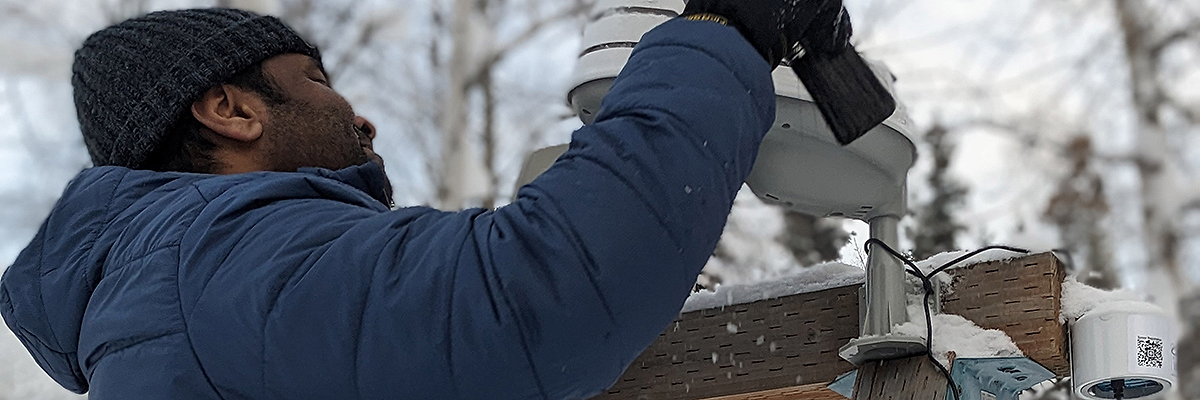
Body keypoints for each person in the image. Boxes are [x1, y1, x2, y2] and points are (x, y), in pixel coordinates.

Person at [0, 1, 852, 399]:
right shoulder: (219, 260)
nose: (358, 114)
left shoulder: (169, 294)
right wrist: (722, 39)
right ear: (231, 111)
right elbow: (541, 295)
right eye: (318, 83)